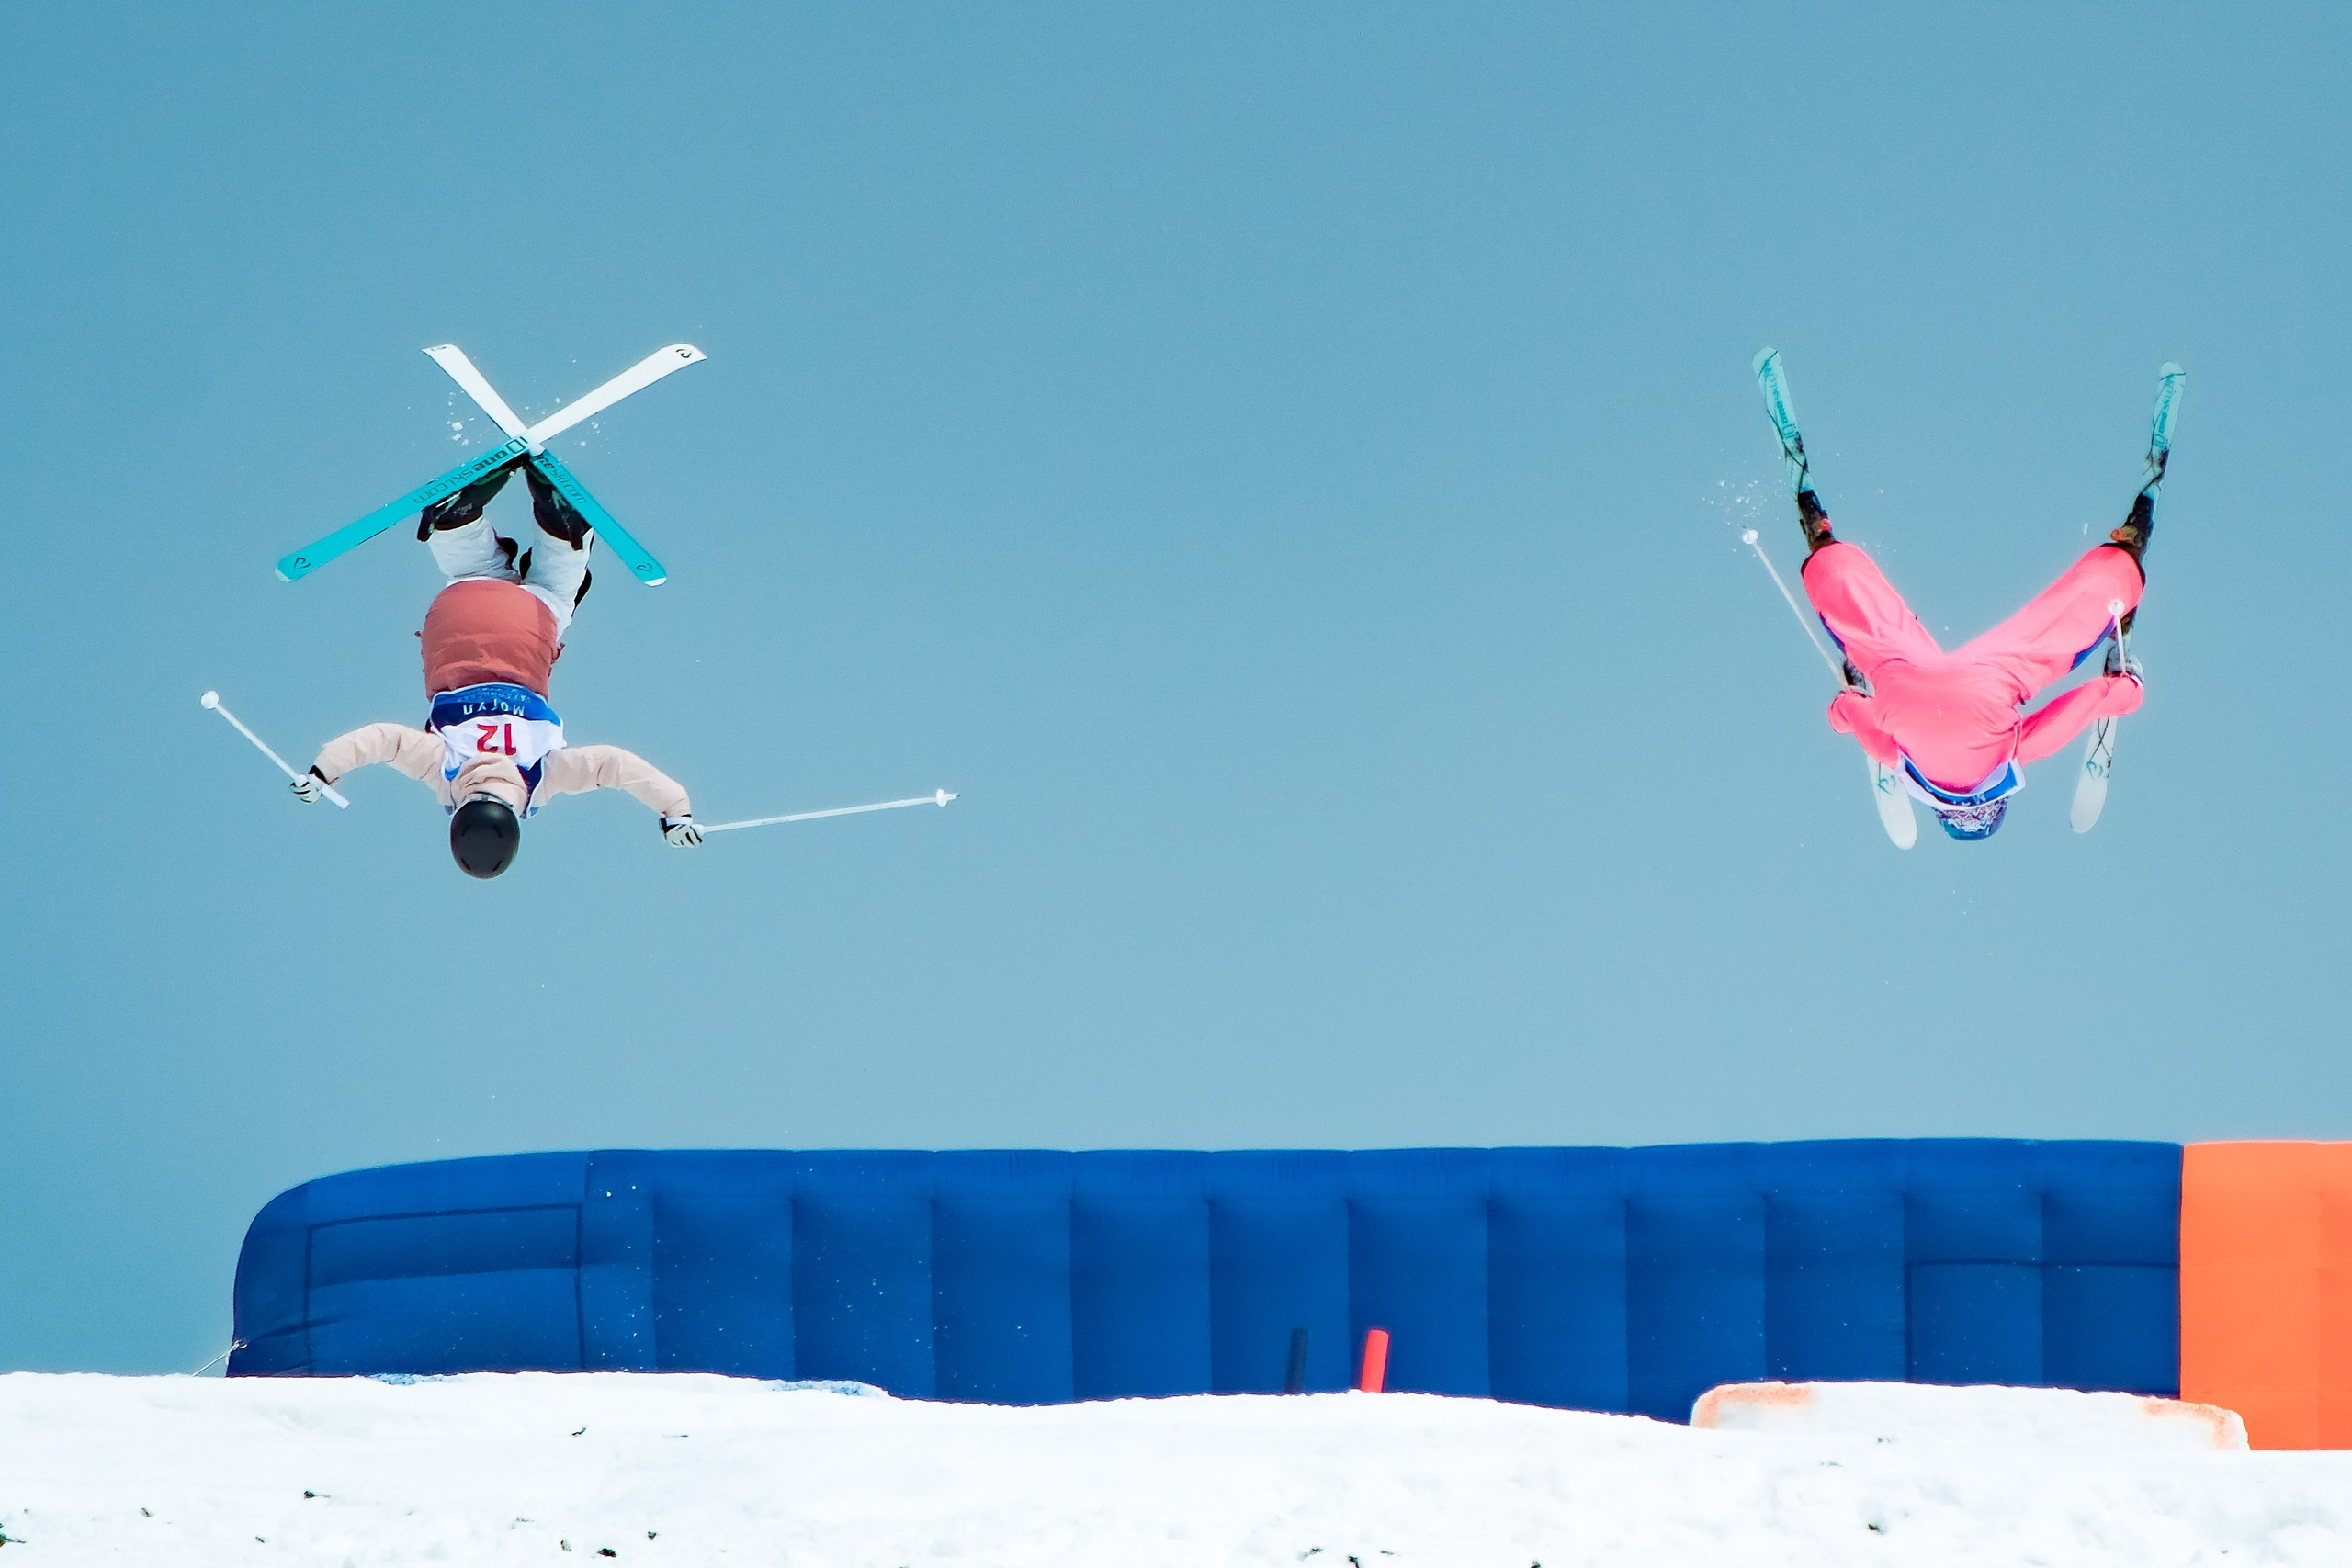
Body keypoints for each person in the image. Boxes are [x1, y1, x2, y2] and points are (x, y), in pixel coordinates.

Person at [291, 463, 702, 877]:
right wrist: (325, 770)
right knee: (473, 572)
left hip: (526, 637)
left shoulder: (541, 774)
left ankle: (563, 526)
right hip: (454, 623)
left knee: (558, 591)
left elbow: (611, 766)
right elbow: (384, 741)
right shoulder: (442, 769)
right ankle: (453, 524)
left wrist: (675, 809)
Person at [1794, 472, 2154, 842]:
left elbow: (2072, 712)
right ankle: (1826, 550)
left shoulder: (2007, 760)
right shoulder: (1898, 759)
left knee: (2045, 640)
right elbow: (1851, 717)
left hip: (1983, 686)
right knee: (1877, 630)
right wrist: (1845, 707)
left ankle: (2120, 566)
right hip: (1905, 687)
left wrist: (2126, 691)